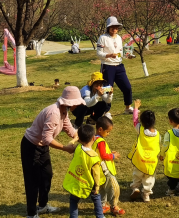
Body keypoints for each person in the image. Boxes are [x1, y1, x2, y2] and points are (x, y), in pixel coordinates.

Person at [21, 86, 84, 218]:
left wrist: (84, 138)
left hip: (42, 147)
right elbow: (47, 138)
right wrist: (65, 148)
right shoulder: (54, 113)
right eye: (76, 102)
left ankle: (42, 206)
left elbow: (70, 129)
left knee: (46, 175)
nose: (78, 105)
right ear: (69, 102)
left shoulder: (63, 111)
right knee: (33, 180)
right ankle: (31, 214)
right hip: (31, 147)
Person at [63, 124, 105, 218]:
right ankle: (100, 216)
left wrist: (74, 139)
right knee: (96, 198)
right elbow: (96, 174)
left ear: (79, 139)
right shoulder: (94, 157)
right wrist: (97, 187)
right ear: (93, 138)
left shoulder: (78, 148)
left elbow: (69, 144)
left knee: (73, 200)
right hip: (90, 183)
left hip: (77, 181)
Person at [96, 17, 133, 114]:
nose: (114, 29)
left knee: (127, 87)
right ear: (108, 27)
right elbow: (99, 54)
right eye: (112, 27)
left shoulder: (119, 38)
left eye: (116, 27)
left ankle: (128, 107)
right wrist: (109, 55)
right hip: (107, 67)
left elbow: (119, 53)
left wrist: (126, 56)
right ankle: (106, 111)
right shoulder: (103, 38)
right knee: (107, 89)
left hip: (119, 66)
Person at [128, 99, 159, 203]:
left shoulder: (140, 129)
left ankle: (135, 188)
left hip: (140, 158)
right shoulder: (157, 134)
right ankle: (146, 193)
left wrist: (136, 108)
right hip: (151, 161)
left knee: (137, 174)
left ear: (142, 122)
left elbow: (135, 120)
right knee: (149, 177)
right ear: (154, 121)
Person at [93, 116, 125, 216]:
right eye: (107, 132)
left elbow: (98, 153)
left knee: (101, 189)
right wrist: (113, 156)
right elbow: (103, 155)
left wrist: (109, 152)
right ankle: (114, 206)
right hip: (105, 170)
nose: (108, 134)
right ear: (100, 129)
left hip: (97, 171)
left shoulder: (93, 138)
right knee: (114, 188)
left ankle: (102, 206)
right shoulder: (101, 141)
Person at [160, 108, 179, 196]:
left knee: (172, 175)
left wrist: (162, 155)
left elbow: (165, 146)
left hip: (172, 160)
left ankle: (171, 189)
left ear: (170, 120)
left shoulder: (169, 133)